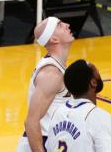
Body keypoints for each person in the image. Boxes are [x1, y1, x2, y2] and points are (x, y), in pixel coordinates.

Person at [16, 16, 75, 152]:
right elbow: (31, 122)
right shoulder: (51, 74)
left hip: (54, 141)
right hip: (42, 143)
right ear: (54, 39)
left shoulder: (58, 67)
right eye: (60, 25)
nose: (67, 24)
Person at [45, 59, 111, 152]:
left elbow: (49, 147)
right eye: (96, 70)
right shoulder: (98, 116)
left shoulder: (58, 112)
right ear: (93, 83)